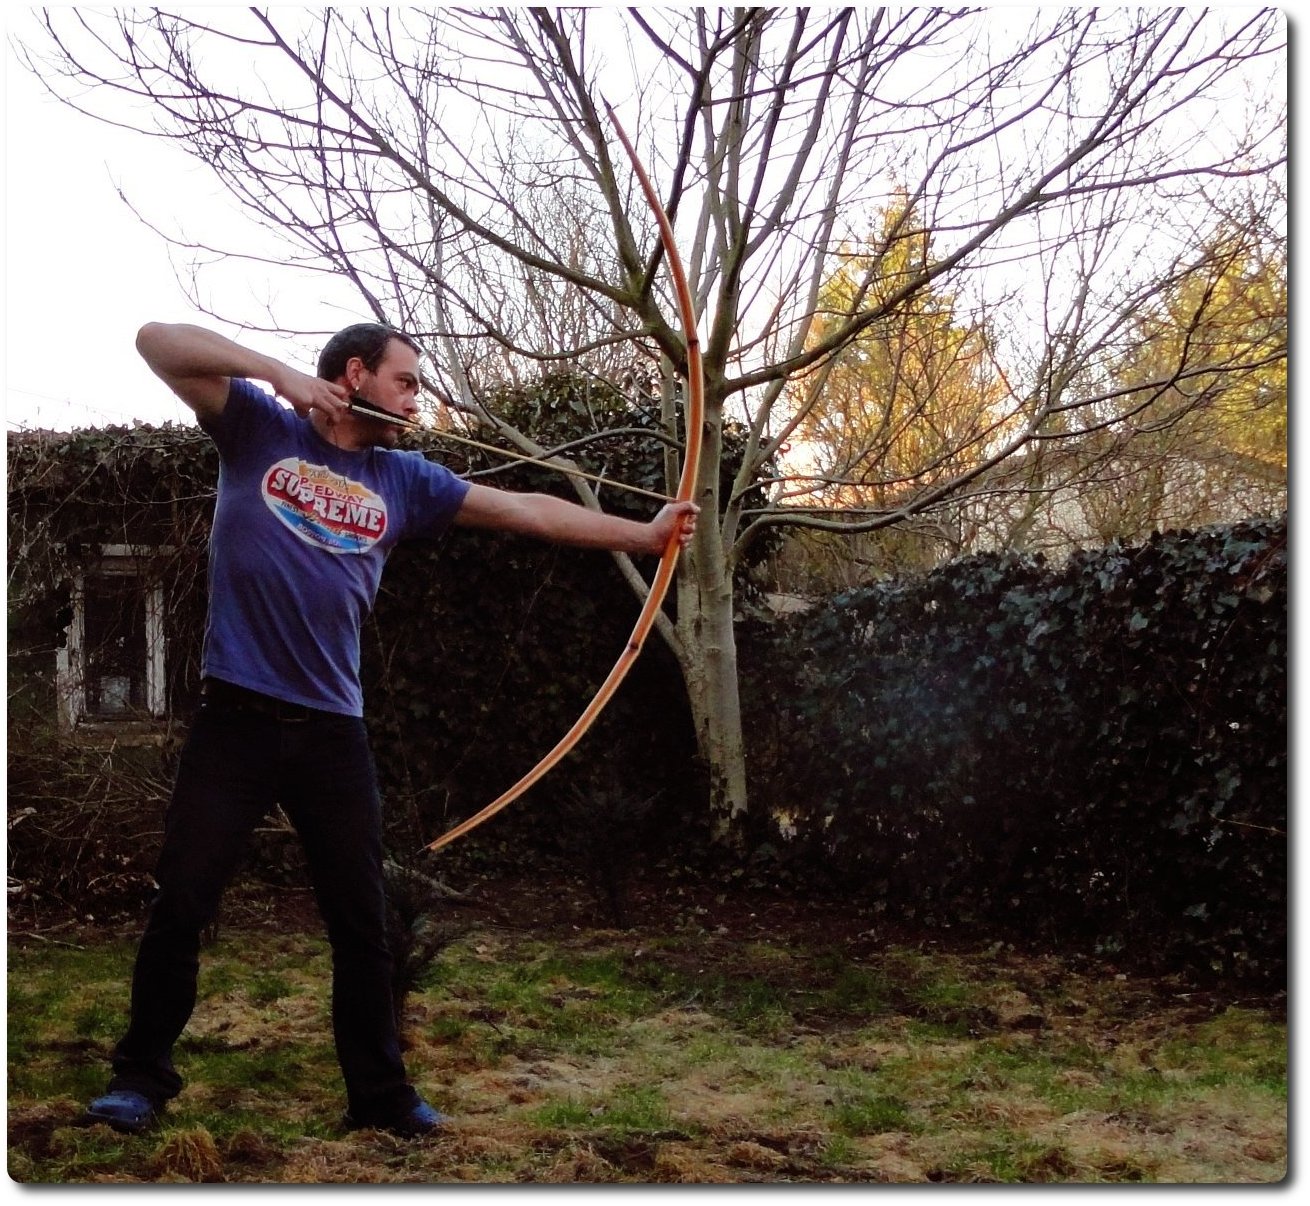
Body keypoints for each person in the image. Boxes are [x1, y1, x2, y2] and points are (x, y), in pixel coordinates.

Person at [84, 321, 698, 1138]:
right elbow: (155, 340)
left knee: (362, 920)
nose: (416, 400)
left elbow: (526, 510)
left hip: (332, 732)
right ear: (356, 374)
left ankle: (380, 1097)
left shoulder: (405, 480)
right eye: (406, 382)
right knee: (183, 903)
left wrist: (643, 534)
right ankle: (140, 1079)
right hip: (236, 717)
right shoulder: (257, 429)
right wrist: (278, 374)